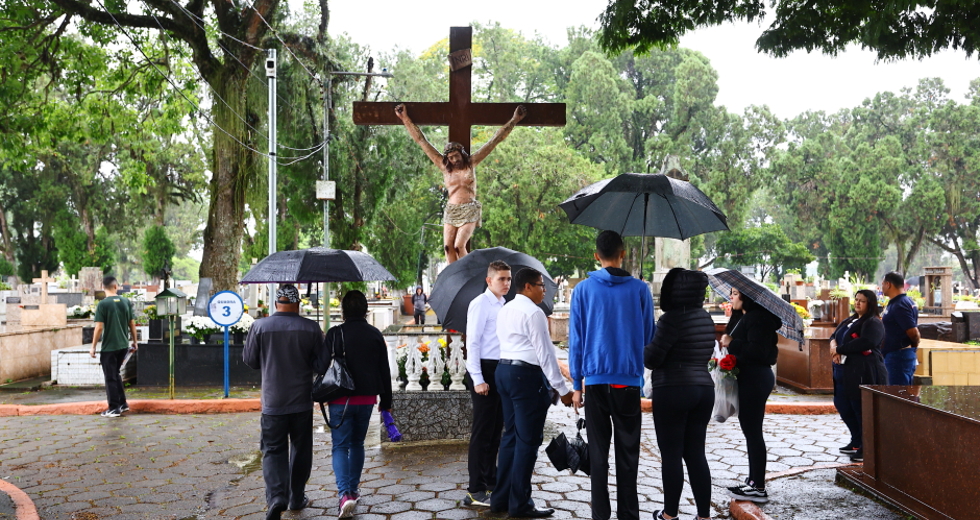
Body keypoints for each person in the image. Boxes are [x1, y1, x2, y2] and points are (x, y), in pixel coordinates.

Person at [568, 230, 655, 520]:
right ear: (623, 254)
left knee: (598, 453)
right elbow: (648, 336)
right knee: (628, 453)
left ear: (596, 256)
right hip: (627, 381)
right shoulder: (640, 290)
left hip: (594, 382)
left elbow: (576, 341)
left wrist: (576, 386)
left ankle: (600, 515)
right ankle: (628, 515)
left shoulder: (582, 290)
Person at [394, 103, 526, 263]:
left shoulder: (471, 163)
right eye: (451, 157)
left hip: (469, 208)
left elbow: (495, 140)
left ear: (462, 154)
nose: (454, 159)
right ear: (447, 159)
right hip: (451, 209)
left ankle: (467, 273)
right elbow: (421, 141)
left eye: (456, 155)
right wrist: (405, 118)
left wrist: (514, 119)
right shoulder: (444, 167)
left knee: (458, 246)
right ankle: (454, 278)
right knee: (448, 248)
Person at [492, 268, 573, 518]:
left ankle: (500, 499)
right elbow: (545, 355)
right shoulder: (533, 312)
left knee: (511, 438)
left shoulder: (505, 309)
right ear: (527, 287)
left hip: (504, 371)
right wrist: (563, 389)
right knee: (527, 442)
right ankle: (521, 504)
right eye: (540, 285)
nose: (544, 290)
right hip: (525, 377)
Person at [243, 284, 324, 520]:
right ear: (298, 304)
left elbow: (250, 360)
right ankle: (296, 496)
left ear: (276, 303)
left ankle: (277, 497)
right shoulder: (310, 327)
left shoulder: (260, 326)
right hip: (301, 402)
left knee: (273, 450)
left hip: (273, 403)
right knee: (300, 450)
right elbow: (320, 366)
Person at [644, 268, 715, 520]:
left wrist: (645, 342)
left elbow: (652, 359)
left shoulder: (670, 320)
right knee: (696, 452)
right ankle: (704, 515)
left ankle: (669, 514)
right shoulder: (706, 318)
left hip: (673, 389)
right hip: (703, 390)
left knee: (672, 454)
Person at [317, 290, 394, 519]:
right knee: (358, 444)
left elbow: (321, 367)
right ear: (366, 310)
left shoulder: (335, 333)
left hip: (340, 399)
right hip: (366, 400)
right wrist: (386, 403)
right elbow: (384, 370)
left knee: (340, 446)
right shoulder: (374, 334)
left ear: (343, 311)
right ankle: (353, 490)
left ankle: (344, 494)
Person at [720, 287, 781, 504]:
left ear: (746, 297)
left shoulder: (759, 319)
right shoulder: (743, 318)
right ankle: (753, 480)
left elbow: (758, 352)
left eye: (736, 293)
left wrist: (732, 343)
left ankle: (758, 486)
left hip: (756, 377)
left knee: (753, 430)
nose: (732, 297)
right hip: (748, 377)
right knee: (749, 429)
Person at [463, 260, 512, 507]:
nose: (506, 283)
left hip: (499, 370)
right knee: (482, 433)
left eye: (509, 279)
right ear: (489, 280)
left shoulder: (503, 304)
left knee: (495, 432)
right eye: (501, 279)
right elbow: (472, 342)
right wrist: (478, 379)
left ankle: (491, 484)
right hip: (484, 369)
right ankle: (475, 489)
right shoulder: (480, 304)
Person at [829, 289, 887, 463]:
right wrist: (834, 347)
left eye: (862, 301)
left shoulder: (873, 322)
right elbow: (834, 335)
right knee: (842, 404)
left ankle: (866, 446)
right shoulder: (851, 319)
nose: (858, 303)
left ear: (870, 303)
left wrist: (840, 349)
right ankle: (856, 439)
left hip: (863, 371)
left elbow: (867, 342)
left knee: (860, 408)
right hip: (844, 370)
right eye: (856, 300)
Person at [89, 276, 138, 418]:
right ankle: (122, 404)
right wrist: (135, 342)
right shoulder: (125, 302)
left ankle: (114, 408)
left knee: (110, 377)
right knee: (116, 374)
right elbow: (132, 323)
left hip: (109, 347)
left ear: (103, 287)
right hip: (123, 345)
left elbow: (98, 327)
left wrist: (93, 347)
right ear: (116, 287)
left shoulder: (103, 304)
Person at [880, 271, 921, 385]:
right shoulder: (897, 302)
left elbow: (913, 332)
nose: (882, 287)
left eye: (883, 284)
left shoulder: (900, 305)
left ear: (888, 284)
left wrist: (912, 348)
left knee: (898, 394)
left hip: (898, 357)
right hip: (895, 355)